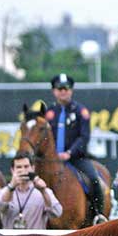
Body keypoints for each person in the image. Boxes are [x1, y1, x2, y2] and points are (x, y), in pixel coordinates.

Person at [45, 73, 106, 223]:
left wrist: (69, 153)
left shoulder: (81, 111)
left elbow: (84, 137)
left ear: (71, 90)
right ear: (54, 91)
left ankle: (98, 214)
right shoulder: (49, 113)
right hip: (52, 160)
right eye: (59, 89)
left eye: (66, 88)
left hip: (76, 158)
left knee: (94, 179)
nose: (63, 91)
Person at [0, 151, 62, 229]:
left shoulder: (45, 191)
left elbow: (57, 213)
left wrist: (43, 192)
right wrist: (11, 187)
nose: (23, 170)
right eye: (19, 167)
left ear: (33, 168)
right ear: (12, 170)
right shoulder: (3, 192)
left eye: (26, 166)